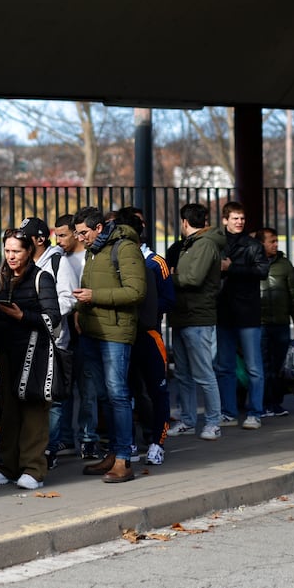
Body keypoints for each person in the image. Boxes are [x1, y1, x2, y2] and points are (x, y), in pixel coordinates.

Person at [0, 227, 60, 490]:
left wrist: (22, 316)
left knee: (34, 412)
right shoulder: (1, 278)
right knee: (8, 413)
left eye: (17, 251)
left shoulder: (42, 278)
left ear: (29, 251)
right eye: (7, 251)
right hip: (6, 355)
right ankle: (7, 466)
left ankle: (34, 469)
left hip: (35, 354)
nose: (11, 256)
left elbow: (53, 318)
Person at [71, 206, 145, 483]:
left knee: (118, 394)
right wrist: (80, 307)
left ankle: (124, 458)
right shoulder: (93, 249)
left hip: (115, 332)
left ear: (99, 228)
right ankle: (113, 453)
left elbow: (136, 292)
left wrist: (94, 296)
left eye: (84, 233)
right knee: (104, 396)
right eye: (78, 233)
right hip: (93, 330)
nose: (80, 238)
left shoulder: (124, 248)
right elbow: (87, 283)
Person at [114, 207, 175, 465]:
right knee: (124, 393)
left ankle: (157, 443)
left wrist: (146, 311)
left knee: (155, 391)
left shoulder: (155, 263)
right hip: (124, 336)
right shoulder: (112, 260)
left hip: (149, 334)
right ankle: (128, 442)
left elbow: (168, 299)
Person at [15, 216, 74, 470]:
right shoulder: (25, 263)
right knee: (31, 393)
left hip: (54, 338)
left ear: (39, 239)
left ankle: (49, 448)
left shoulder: (58, 261)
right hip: (27, 338)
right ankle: (33, 446)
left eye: (24, 237)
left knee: (54, 397)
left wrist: (42, 315)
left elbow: (69, 299)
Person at [166, 203, 225, 441]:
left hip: (198, 317)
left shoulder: (205, 245)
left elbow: (193, 278)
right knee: (183, 374)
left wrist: (170, 277)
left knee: (203, 374)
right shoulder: (191, 245)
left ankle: (213, 421)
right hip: (182, 316)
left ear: (184, 222)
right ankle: (188, 420)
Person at [214, 202, 270, 430]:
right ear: (225, 219)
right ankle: (228, 412)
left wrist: (231, 268)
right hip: (224, 311)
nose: (239, 222)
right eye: (235, 218)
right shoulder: (216, 243)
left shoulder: (253, 245)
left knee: (254, 367)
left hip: (248, 313)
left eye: (242, 218)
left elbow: (262, 271)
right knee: (224, 366)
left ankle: (255, 412)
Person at [48, 213, 92, 461]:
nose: (59, 240)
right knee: (61, 389)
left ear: (76, 234)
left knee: (87, 388)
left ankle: (88, 438)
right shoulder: (59, 258)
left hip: (84, 328)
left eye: (63, 235)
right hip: (65, 330)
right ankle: (64, 438)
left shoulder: (88, 257)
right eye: (57, 235)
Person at [255, 227, 294, 417]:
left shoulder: (284, 265)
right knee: (262, 365)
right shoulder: (252, 263)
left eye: (277, 241)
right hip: (258, 324)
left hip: (280, 323)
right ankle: (262, 403)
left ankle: (275, 402)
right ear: (261, 243)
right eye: (272, 241)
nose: (276, 244)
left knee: (278, 365)